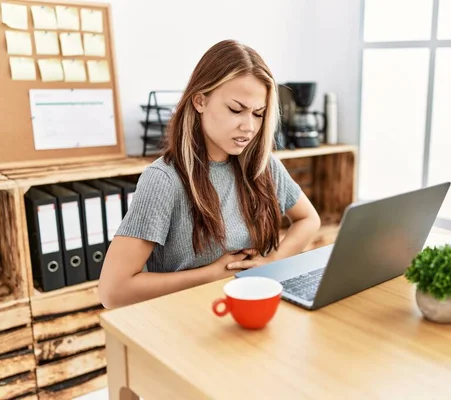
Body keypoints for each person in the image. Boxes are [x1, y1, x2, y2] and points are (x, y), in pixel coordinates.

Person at [98, 40, 321, 309]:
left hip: (247, 314)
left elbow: (308, 219)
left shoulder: (263, 165)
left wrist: (273, 260)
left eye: (258, 114)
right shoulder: (164, 180)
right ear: (200, 100)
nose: (249, 127)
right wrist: (211, 275)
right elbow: (113, 291)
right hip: (185, 323)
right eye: (236, 109)